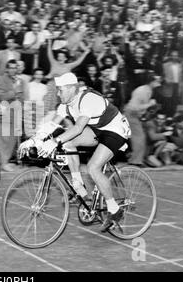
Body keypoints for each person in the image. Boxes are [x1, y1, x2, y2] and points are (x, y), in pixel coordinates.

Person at [18, 72, 132, 232]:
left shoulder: (88, 99)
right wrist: (33, 140)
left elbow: (78, 128)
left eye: (61, 90)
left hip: (116, 130)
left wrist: (54, 141)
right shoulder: (66, 104)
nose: (58, 94)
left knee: (93, 167)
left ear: (72, 88)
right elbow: (51, 125)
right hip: (98, 129)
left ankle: (114, 209)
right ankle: (78, 186)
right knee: (68, 144)